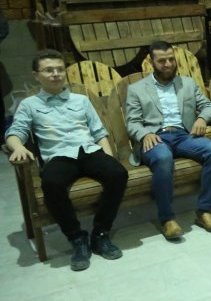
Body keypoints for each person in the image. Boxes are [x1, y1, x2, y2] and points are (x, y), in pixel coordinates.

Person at [6, 50, 127, 271]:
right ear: (36, 75)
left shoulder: (81, 100)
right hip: (59, 155)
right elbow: (14, 133)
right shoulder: (29, 104)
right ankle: (77, 238)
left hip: (88, 151)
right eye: (49, 70)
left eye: (59, 69)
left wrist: (108, 158)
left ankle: (100, 233)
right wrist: (18, 147)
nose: (55, 74)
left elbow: (99, 132)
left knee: (118, 173)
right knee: (51, 183)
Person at [125, 41, 211, 240]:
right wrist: (144, 134)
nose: (168, 64)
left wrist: (201, 118)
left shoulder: (187, 83)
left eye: (171, 59)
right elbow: (132, 122)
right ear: (151, 62)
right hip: (155, 137)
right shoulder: (136, 89)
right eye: (162, 61)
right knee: (163, 158)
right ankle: (167, 218)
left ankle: (204, 210)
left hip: (184, 136)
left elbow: (209, 106)